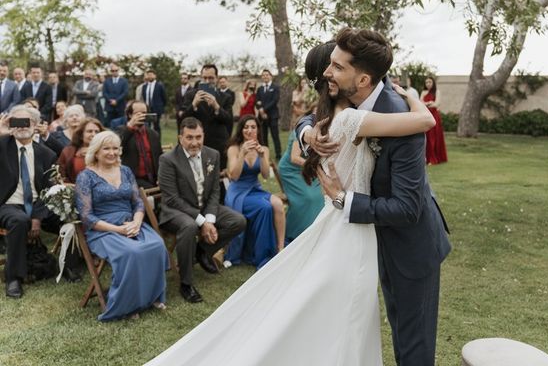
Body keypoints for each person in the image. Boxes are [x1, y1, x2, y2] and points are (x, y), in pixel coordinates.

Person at [144, 37, 436, 366]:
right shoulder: (347, 119)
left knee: (346, 313)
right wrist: (415, 99)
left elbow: (311, 121)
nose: (330, 71)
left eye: (336, 67)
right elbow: (426, 121)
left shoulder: (336, 116)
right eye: (331, 67)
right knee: (343, 312)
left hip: (371, 228)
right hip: (349, 225)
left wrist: (308, 132)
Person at [300, 29, 451, 366]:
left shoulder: (402, 121)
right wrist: (306, 131)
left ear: (363, 78)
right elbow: (312, 117)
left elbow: (407, 207)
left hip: (409, 247)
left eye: (337, 67)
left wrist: (342, 199)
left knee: (412, 345)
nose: (328, 73)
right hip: (366, 240)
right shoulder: (347, 104)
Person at [75, 131, 170, 321]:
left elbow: (138, 202)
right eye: (106, 148)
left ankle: (151, 297)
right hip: (102, 230)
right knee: (132, 253)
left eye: (115, 148)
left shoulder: (125, 171)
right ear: (96, 151)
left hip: (131, 222)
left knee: (157, 245)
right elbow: (86, 216)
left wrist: (136, 222)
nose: (112, 152)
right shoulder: (86, 177)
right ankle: (128, 305)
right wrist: (118, 229)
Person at [157, 117, 246, 303]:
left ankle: (201, 251)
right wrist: (202, 222)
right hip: (175, 212)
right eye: (189, 137)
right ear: (180, 137)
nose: (194, 142)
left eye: (198, 137)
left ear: (203, 135)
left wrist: (210, 220)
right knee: (189, 226)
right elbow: (172, 199)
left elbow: (214, 190)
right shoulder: (168, 160)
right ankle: (186, 283)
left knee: (237, 221)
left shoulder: (212, 155)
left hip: (205, 208)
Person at [0, 105, 82, 298]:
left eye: (25, 122)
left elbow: (47, 190)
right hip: (8, 205)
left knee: (71, 217)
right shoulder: (2, 145)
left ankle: (69, 266)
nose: (21, 126)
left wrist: (37, 217)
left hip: (39, 204)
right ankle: (14, 278)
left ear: (35, 124)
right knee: (19, 220)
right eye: (16, 121)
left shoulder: (46, 154)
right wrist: (2, 130)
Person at [224, 115, 285, 268]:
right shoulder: (234, 149)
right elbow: (234, 176)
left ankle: (280, 247)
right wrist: (242, 154)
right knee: (265, 208)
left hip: (254, 188)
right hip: (237, 193)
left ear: (258, 130)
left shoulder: (263, 148)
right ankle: (261, 255)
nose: (249, 130)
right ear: (241, 130)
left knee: (278, 204)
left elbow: (264, 175)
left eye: (253, 127)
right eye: (246, 127)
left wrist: (262, 156)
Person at [181, 64, 233, 170]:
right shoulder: (191, 95)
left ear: (216, 78)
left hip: (218, 144)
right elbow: (183, 119)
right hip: (196, 143)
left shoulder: (225, 97)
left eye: (211, 78)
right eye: (204, 78)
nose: (207, 81)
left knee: (217, 179)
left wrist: (216, 107)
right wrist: (194, 104)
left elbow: (229, 120)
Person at [278, 127, 324, 242]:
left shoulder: (324, 131)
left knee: (320, 196)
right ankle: (294, 233)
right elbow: (294, 158)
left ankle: (314, 232)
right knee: (307, 198)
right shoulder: (301, 131)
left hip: (308, 170)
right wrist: (315, 167)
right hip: (291, 170)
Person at [117, 100, 162, 188]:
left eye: (144, 113)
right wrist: (130, 126)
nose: (142, 116)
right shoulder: (122, 131)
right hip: (132, 179)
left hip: (153, 178)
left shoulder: (153, 134)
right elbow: (118, 145)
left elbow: (159, 157)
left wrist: (161, 177)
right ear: (130, 115)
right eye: (138, 113)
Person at [57, 118, 104, 183]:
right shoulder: (68, 152)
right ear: (81, 135)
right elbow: (61, 175)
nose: (93, 134)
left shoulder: (107, 152)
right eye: (89, 131)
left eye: (97, 132)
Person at [421, 76, 448, 165]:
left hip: (434, 117)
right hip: (425, 116)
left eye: (430, 82)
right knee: (426, 137)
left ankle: (433, 158)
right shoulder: (423, 92)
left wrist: (428, 104)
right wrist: (429, 103)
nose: (428, 84)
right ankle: (426, 158)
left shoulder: (437, 92)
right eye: (426, 82)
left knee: (434, 137)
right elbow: (420, 103)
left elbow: (437, 104)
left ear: (433, 83)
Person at [255, 69, 282, 159]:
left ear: (271, 76)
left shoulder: (275, 87)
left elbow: (275, 101)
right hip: (262, 117)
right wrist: (260, 110)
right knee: (263, 136)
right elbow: (257, 101)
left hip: (273, 116)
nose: (265, 76)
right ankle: (265, 154)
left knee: (275, 136)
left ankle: (278, 155)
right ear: (262, 77)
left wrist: (263, 109)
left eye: (267, 75)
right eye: (263, 75)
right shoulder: (259, 89)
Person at [102, 63, 129, 128]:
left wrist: (116, 101)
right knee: (109, 124)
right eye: (112, 71)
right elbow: (104, 93)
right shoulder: (107, 81)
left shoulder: (124, 81)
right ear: (111, 72)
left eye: (116, 70)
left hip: (120, 106)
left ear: (118, 71)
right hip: (110, 107)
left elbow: (125, 92)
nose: (114, 72)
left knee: (120, 125)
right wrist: (110, 100)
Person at [141, 69, 167, 135]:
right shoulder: (144, 86)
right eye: (148, 75)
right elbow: (144, 97)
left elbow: (164, 98)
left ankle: (157, 141)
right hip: (147, 109)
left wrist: (161, 107)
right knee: (147, 126)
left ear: (155, 76)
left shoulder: (159, 86)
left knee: (156, 126)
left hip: (156, 109)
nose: (150, 76)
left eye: (151, 75)